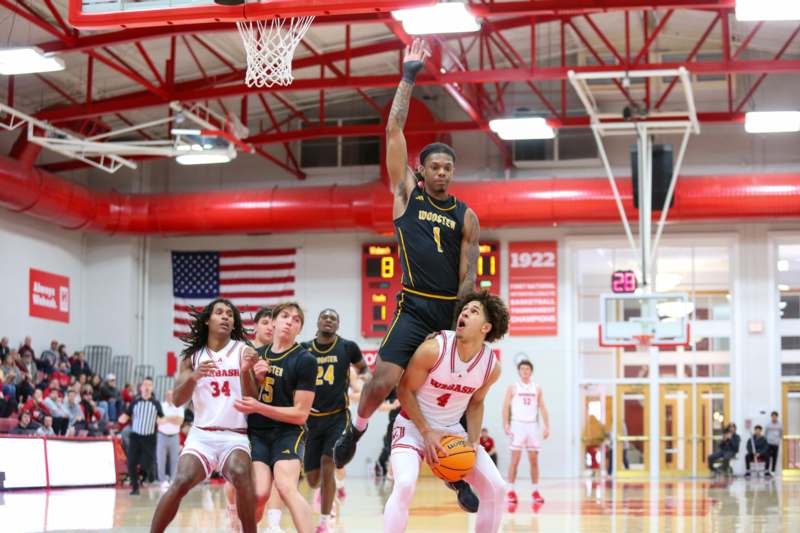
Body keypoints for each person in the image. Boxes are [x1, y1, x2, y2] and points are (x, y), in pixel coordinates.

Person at [334, 37, 482, 512]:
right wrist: (409, 76)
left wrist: (463, 322)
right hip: (413, 305)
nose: (442, 173)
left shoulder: (466, 215)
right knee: (381, 382)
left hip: (448, 313)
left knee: (449, 397)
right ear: (421, 170)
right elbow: (394, 129)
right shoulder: (406, 195)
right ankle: (355, 431)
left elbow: (468, 273)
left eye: (448, 168)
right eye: (435, 166)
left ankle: (457, 475)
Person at [384, 292, 508, 533]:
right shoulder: (433, 349)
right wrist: (426, 432)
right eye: (465, 309)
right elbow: (404, 391)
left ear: (486, 327)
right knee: (406, 484)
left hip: (452, 430)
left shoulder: (491, 367)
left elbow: (475, 404)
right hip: (412, 427)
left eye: (474, 312)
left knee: (497, 487)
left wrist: (473, 440)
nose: (465, 313)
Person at [150, 298, 259, 533]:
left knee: (241, 473)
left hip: (235, 435)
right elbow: (178, 400)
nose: (226, 316)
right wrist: (194, 377)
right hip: (202, 436)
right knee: (181, 480)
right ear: (208, 320)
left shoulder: (243, 351)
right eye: (219, 312)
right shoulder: (192, 357)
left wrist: (246, 371)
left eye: (230, 314)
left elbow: (253, 399)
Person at [233, 302, 317, 533]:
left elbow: (301, 414)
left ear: (299, 329)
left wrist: (260, 407)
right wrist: (249, 376)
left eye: (297, 319)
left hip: (288, 431)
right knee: (259, 493)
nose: (290, 321)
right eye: (285, 316)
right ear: (274, 321)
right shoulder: (256, 356)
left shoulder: (305, 360)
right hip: (258, 433)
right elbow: (246, 398)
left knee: (285, 486)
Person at [302, 308, 368, 532]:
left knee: (328, 464)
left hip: (337, 417)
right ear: (318, 322)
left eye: (333, 318)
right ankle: (328, 492)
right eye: (325, 317)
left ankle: (324, 522)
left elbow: (363, 368)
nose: (328, 320)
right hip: (310, 420)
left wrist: (368, 381)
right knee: (312, 480)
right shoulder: (303, 349)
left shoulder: (348, 347)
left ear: (337, 325)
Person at [502, 360, 550, 505]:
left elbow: (542, 407)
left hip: (532, 426)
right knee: (515, 460)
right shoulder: (513, 387)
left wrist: (547, 426)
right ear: (519, 371)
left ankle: (535, 491)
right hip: (517, 425)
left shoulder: (537, 388)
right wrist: (506, 424)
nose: (525, 371)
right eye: (522, 369)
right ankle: (510, 491)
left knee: (534, 460)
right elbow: (505, 407)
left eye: (527, 369)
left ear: (531, 371)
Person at [119, 377, 164, 494]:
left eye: (149, 385)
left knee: (147, 463)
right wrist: (123, 418)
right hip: (136, 436)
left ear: (152, 388)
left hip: (149, 437)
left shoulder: (156, 403)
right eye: (145, 385)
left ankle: (150, 477)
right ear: (141, 388)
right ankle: (135, 488)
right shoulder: (135, 402)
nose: (147, 387)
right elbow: (127, 415)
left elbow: (161, 417)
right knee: (131, 463)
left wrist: (162, 421)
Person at [156, 389, 184, 488]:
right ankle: (162, 481)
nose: (169, 397)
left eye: (171, 395)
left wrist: (166, 418)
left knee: (174, 460)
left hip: (174, 436)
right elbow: (159, 421)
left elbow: (180, 421)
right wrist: (173, 418)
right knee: (161, 460)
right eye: (167, 395)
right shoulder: (161, 406)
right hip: (162, 435)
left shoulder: (179, 406)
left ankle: (173, 480)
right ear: (165, 396)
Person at [764, 411, 783, 477]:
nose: (774, 418)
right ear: (771, 417)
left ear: (777, 417)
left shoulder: (780, 425)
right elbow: (765, 434)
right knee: (767, 457)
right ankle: (766, 471)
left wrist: (778, 440)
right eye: (773, 416)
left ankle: (773, 471)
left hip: (776, 444)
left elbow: (781, 434)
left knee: (775, 457)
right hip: (769, 443)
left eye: (775, 416)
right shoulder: (768, 425)